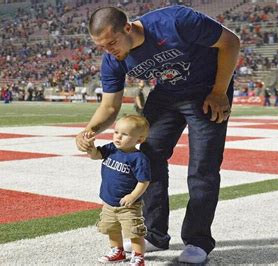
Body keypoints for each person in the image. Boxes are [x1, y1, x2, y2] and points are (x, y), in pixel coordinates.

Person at [75, 6, 239, 264]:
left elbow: (231, 42)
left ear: (128, 28)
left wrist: (219, 91)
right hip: (167, 94)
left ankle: (198, 241)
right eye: (102, 46)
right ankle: (155, 234)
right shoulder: (113, 59)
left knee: (202, 166)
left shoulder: (175, 21)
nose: (110, 50)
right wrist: (90, 130)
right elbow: (109, 106)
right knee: (148, 157)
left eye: (112, 42)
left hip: (208, 89)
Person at [85, 115, 151, 265]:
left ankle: (139, 256)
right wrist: (91, 147)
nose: (118, 137)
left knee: (134, 231)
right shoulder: (111, 148)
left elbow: (144, 181)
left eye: (125, 134)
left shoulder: (138, 158)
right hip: (109, 201)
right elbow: (95, 155)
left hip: (128, 205)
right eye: (116, 132)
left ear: (139, 140)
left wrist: (133, 196)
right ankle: (118, 251)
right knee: (111, 228)